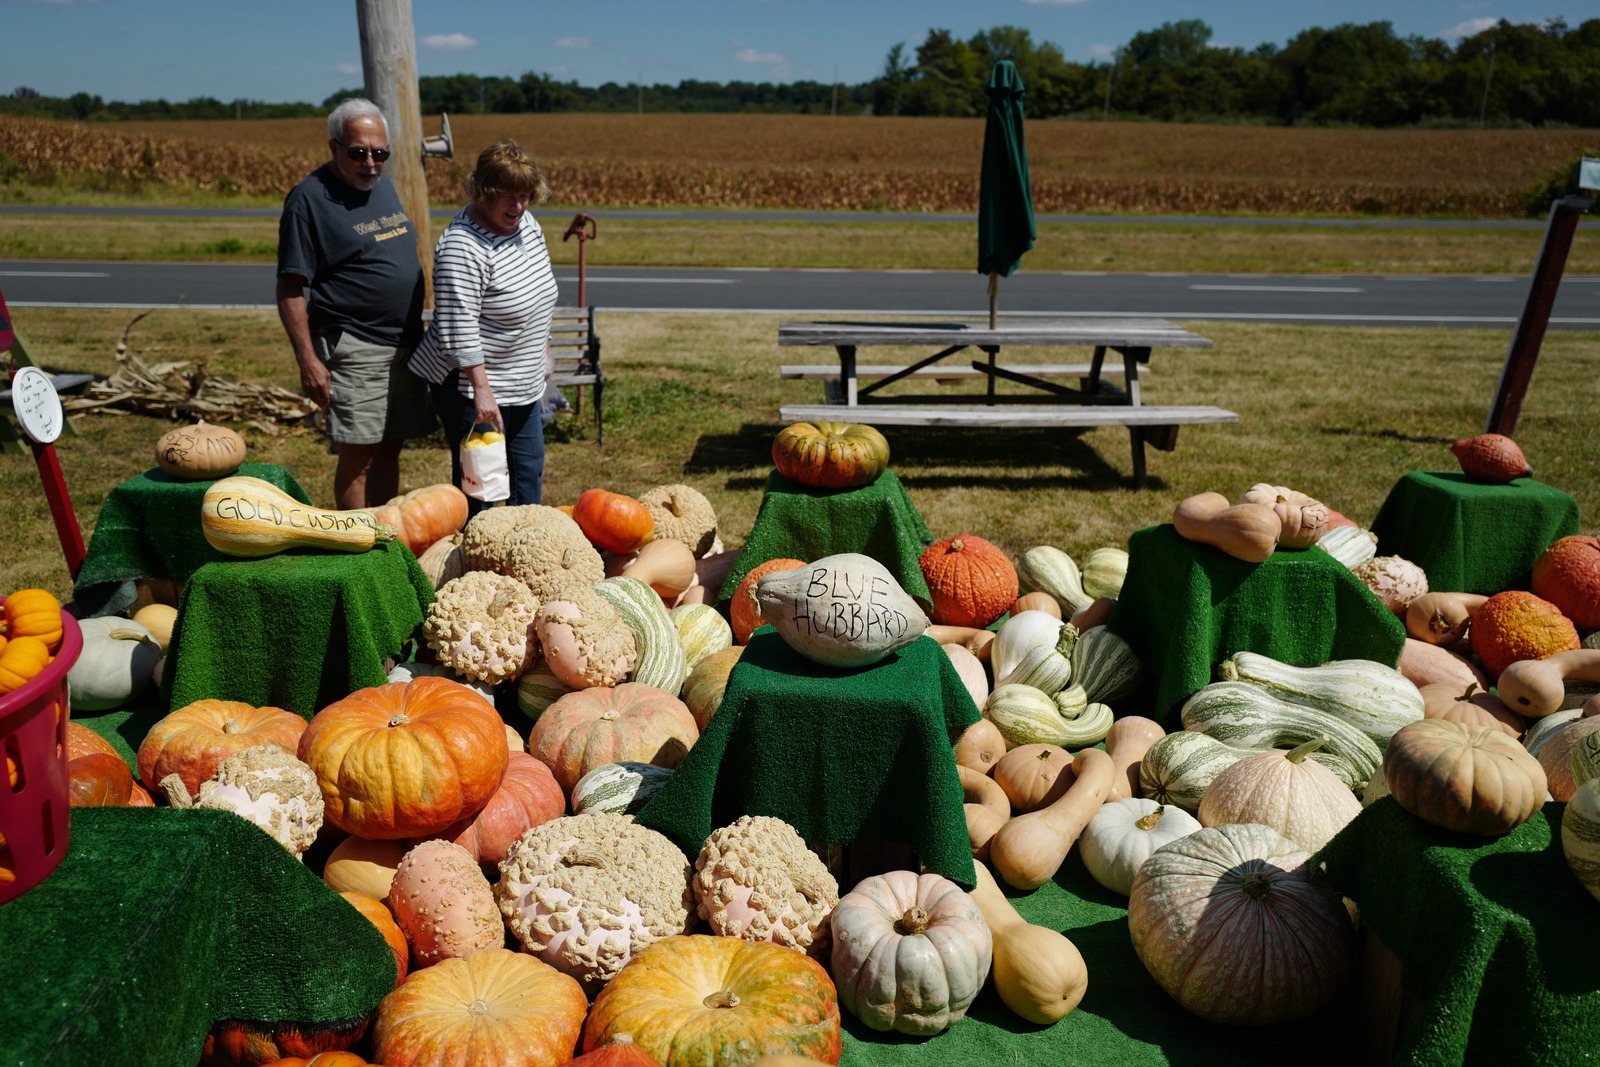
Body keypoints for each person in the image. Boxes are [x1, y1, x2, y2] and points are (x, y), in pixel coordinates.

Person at [276, 97, 432, 509]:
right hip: (355, 344)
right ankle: (355, 552)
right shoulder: (309, 201)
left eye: (379, 153)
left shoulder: (383, 187)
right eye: (358, 152)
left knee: (389, 447)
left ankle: (381, 539)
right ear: (333, 148)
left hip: (405, 343)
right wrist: (308, 360)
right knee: (359, 456)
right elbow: (291, 287)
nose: (370, 162)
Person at [409, 139, 559, 513]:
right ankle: (476, 560)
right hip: (471, 384)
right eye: (509, 196)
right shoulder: (462, 246)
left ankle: (529, 552)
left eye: (525, 196)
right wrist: (482, 392)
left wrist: (545, 350)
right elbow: (458, 329)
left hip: (523, 379)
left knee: (528, 472)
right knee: (483, 486)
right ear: (483, 191)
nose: (519, 206)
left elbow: (540, 290)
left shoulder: (526, 224)